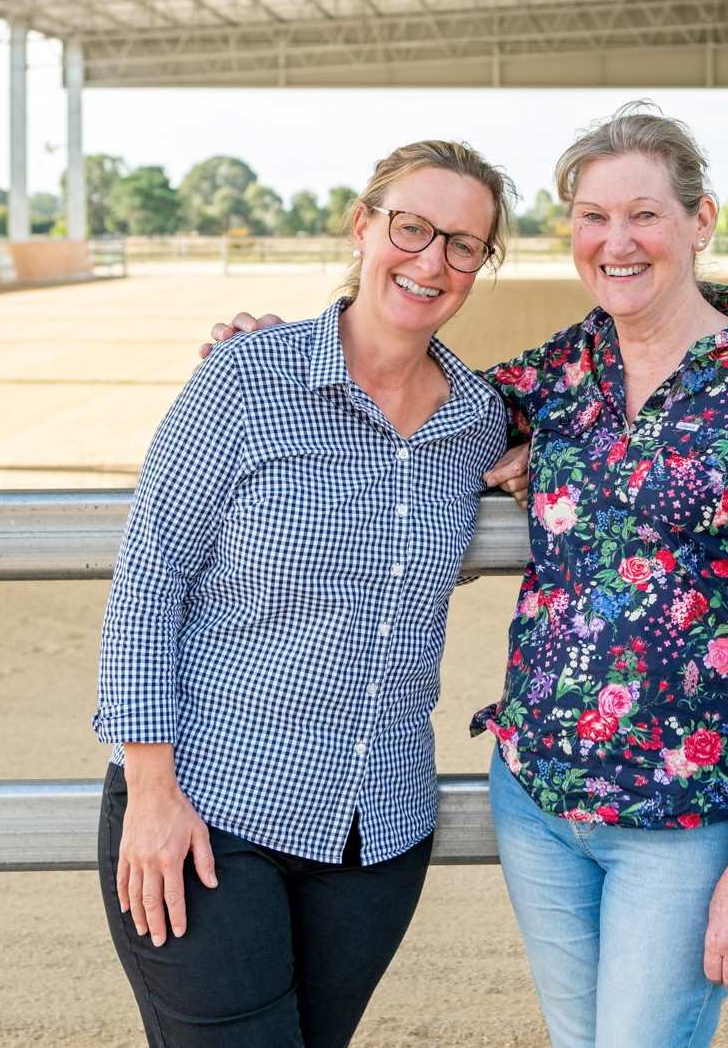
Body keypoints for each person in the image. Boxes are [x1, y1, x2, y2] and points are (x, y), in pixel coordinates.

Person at [205, 106, 728, 1048]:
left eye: (644, 215)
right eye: (592, 217)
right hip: (539, 798)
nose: (615, 241)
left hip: (682, 818)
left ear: (700, 221)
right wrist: (280, 347)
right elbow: (407, 392)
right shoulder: (564, 371)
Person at [94, 140, 519, 1048]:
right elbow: (147, 583)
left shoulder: (479, 419)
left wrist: (529, 460)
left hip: (376, 835)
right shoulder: (248, 378)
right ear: (364, 227)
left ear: (482, 265)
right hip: (211, 813)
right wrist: (151, 794)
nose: (431, 260)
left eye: (464, 244)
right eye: (413, 228)